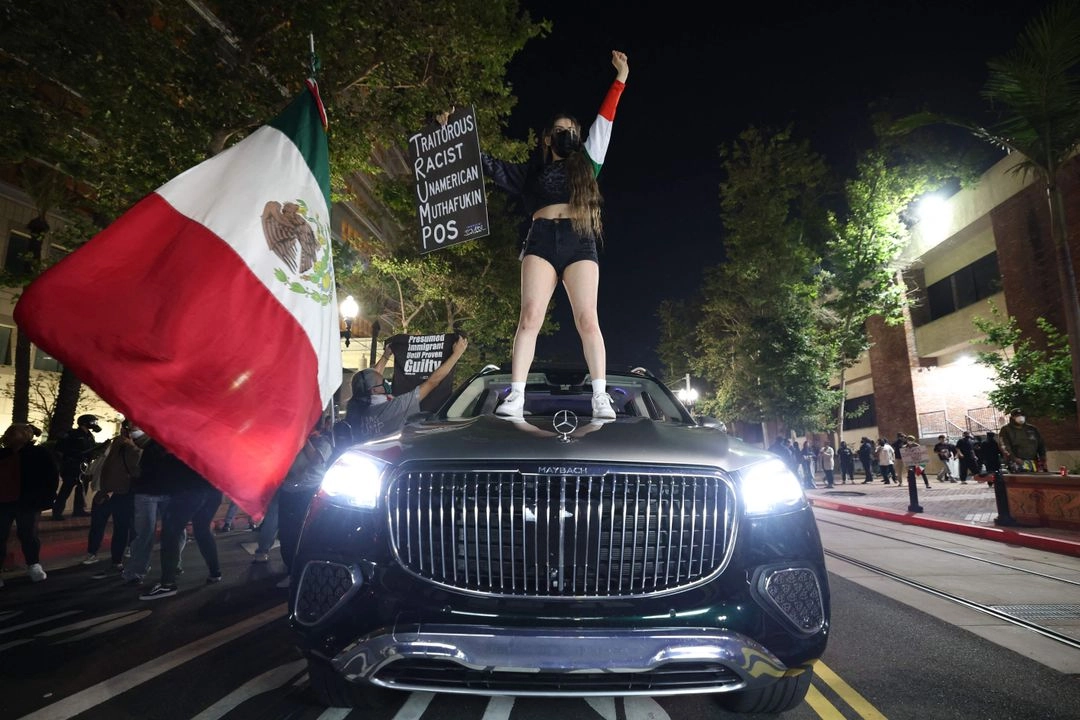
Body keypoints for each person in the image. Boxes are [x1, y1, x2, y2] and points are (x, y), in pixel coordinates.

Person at [479, 50, 630, 421]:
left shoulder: (588, 164)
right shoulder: (531, 173)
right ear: (548, 138)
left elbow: (605, 121)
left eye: (572, 132)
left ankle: (599, 396)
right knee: (530, 316)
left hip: (580, 239)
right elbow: (490, 166)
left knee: (588, 320)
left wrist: (620, 79)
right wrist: (450, 135)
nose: (568, 136)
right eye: (561, 132)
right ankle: (516, 395)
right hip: (542, 239)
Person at [345, 336, 469, 443]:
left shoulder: (356, 409)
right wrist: (456, 354)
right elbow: (432, 382)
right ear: (375, 391)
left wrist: (386, 355)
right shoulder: (394, 407)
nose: (386, 383)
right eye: (383, 382)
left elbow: (371, 378)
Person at [139, 443, 222, 599]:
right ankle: (215, 571)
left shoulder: (172, 442)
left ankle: (167, 584)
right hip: (212, 490)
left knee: (170, 534)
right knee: (202, 529)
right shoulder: (204, 441)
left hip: (188, 491)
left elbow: (158, 469)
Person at [0, 424, 57, 587]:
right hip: (4, 501)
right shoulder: (3, 454)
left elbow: (51, 476)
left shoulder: (38, 453)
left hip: (28, 501)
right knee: (1, 535)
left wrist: (46, 498)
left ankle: (33, 564)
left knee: (28, 534)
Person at [82, 421, 141, 570]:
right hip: (115, 492)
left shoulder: (119, 446)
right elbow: (133, 470)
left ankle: (98, 555)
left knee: (107, 526)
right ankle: (115, 559)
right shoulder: (125, 446)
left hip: (109, 491)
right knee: (119, 526)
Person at [51, 413, 102, 519]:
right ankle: (57, 512)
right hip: (72, 466)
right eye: (92, 421)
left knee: (82, 489)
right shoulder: (72, 434)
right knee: (66, 489)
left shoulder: (89, 435)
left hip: (84, 466)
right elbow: (59, 449)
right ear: (84, 423)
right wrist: (68, 459)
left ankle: (79, 510)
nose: (94, 424)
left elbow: (90, 449)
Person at [998, 408, 1047, 473]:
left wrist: (1043, 457)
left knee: (1036, 478)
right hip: (1016, 462)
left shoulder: (1032, 429)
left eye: (1022, 415)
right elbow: (1004, 446)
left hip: (1033, 461)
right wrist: (1014, 458)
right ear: (1012, 417)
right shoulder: (1006, 430)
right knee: (1022, 478)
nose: (1020, 417)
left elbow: (1041, 444)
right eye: (1017, 415)